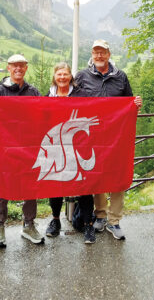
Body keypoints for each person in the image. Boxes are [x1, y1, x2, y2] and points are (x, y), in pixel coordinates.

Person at [75, 39, 142, 241]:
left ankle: (115, 220)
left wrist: (135, 104)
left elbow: (129, 102)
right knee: (96, 175)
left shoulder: (120, 77)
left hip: (116, 136)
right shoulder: (82, 76)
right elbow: (70, 102)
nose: (99, 56)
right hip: (92, 136)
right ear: (92, 54)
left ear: (109, 54)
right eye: (96, 52)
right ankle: (101, 215)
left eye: (103, 52)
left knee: (118, 177)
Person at [0, 54, 44, 247]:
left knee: (30, 186)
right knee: (2, 186)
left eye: (22, 66)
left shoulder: (33, 91)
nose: (18, 69)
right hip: (5, 148)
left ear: (26, 68)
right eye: (14, 66)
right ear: (8, 68)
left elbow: (43, 115)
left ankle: (28, 224)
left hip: (29, 148)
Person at [45, 62, 96, 244]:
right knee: (55, 185)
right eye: (59, 74)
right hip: (57, 146)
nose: (62, 77)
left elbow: (97, 109)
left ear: (70, 77)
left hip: (79, 146)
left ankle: (88, 224)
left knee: (84, 186)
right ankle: (56, 220)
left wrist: (131, 104)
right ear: (55, 76)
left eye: (65, 74)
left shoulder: (81, 94)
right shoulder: (48, 97)